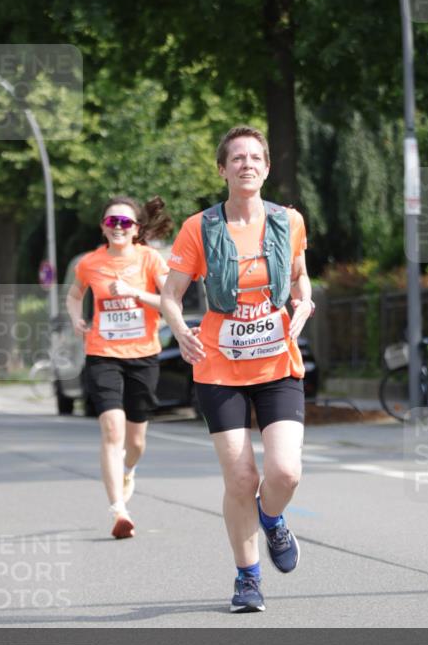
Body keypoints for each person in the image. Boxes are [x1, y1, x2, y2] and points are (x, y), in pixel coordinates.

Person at [161, 126, 315, 612]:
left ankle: (272, 519)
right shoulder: (199, 227)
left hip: (277, 363)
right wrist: (180, 330)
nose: (247, 164)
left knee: (285, 473)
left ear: (266, 169)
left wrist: (304, 303)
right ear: (222, 169)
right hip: (219, 368)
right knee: (242, 479)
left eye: (255, 158)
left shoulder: (288, 222)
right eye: (237, 158)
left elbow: (299, 278)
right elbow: (170, 295)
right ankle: (248, 578)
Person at [66, 195, 171, 539]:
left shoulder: (150, 259)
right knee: (112, 430)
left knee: (136, 440)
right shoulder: (90, 263)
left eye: (125, 222)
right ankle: (119, 511)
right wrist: (76, 318)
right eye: (112, 221)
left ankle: (128, 469)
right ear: (103, 227)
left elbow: (169, 301)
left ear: (136, 228)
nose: (118, 227)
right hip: (102, 353)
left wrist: (134, 293)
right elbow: (74, 294)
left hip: (143, 355)